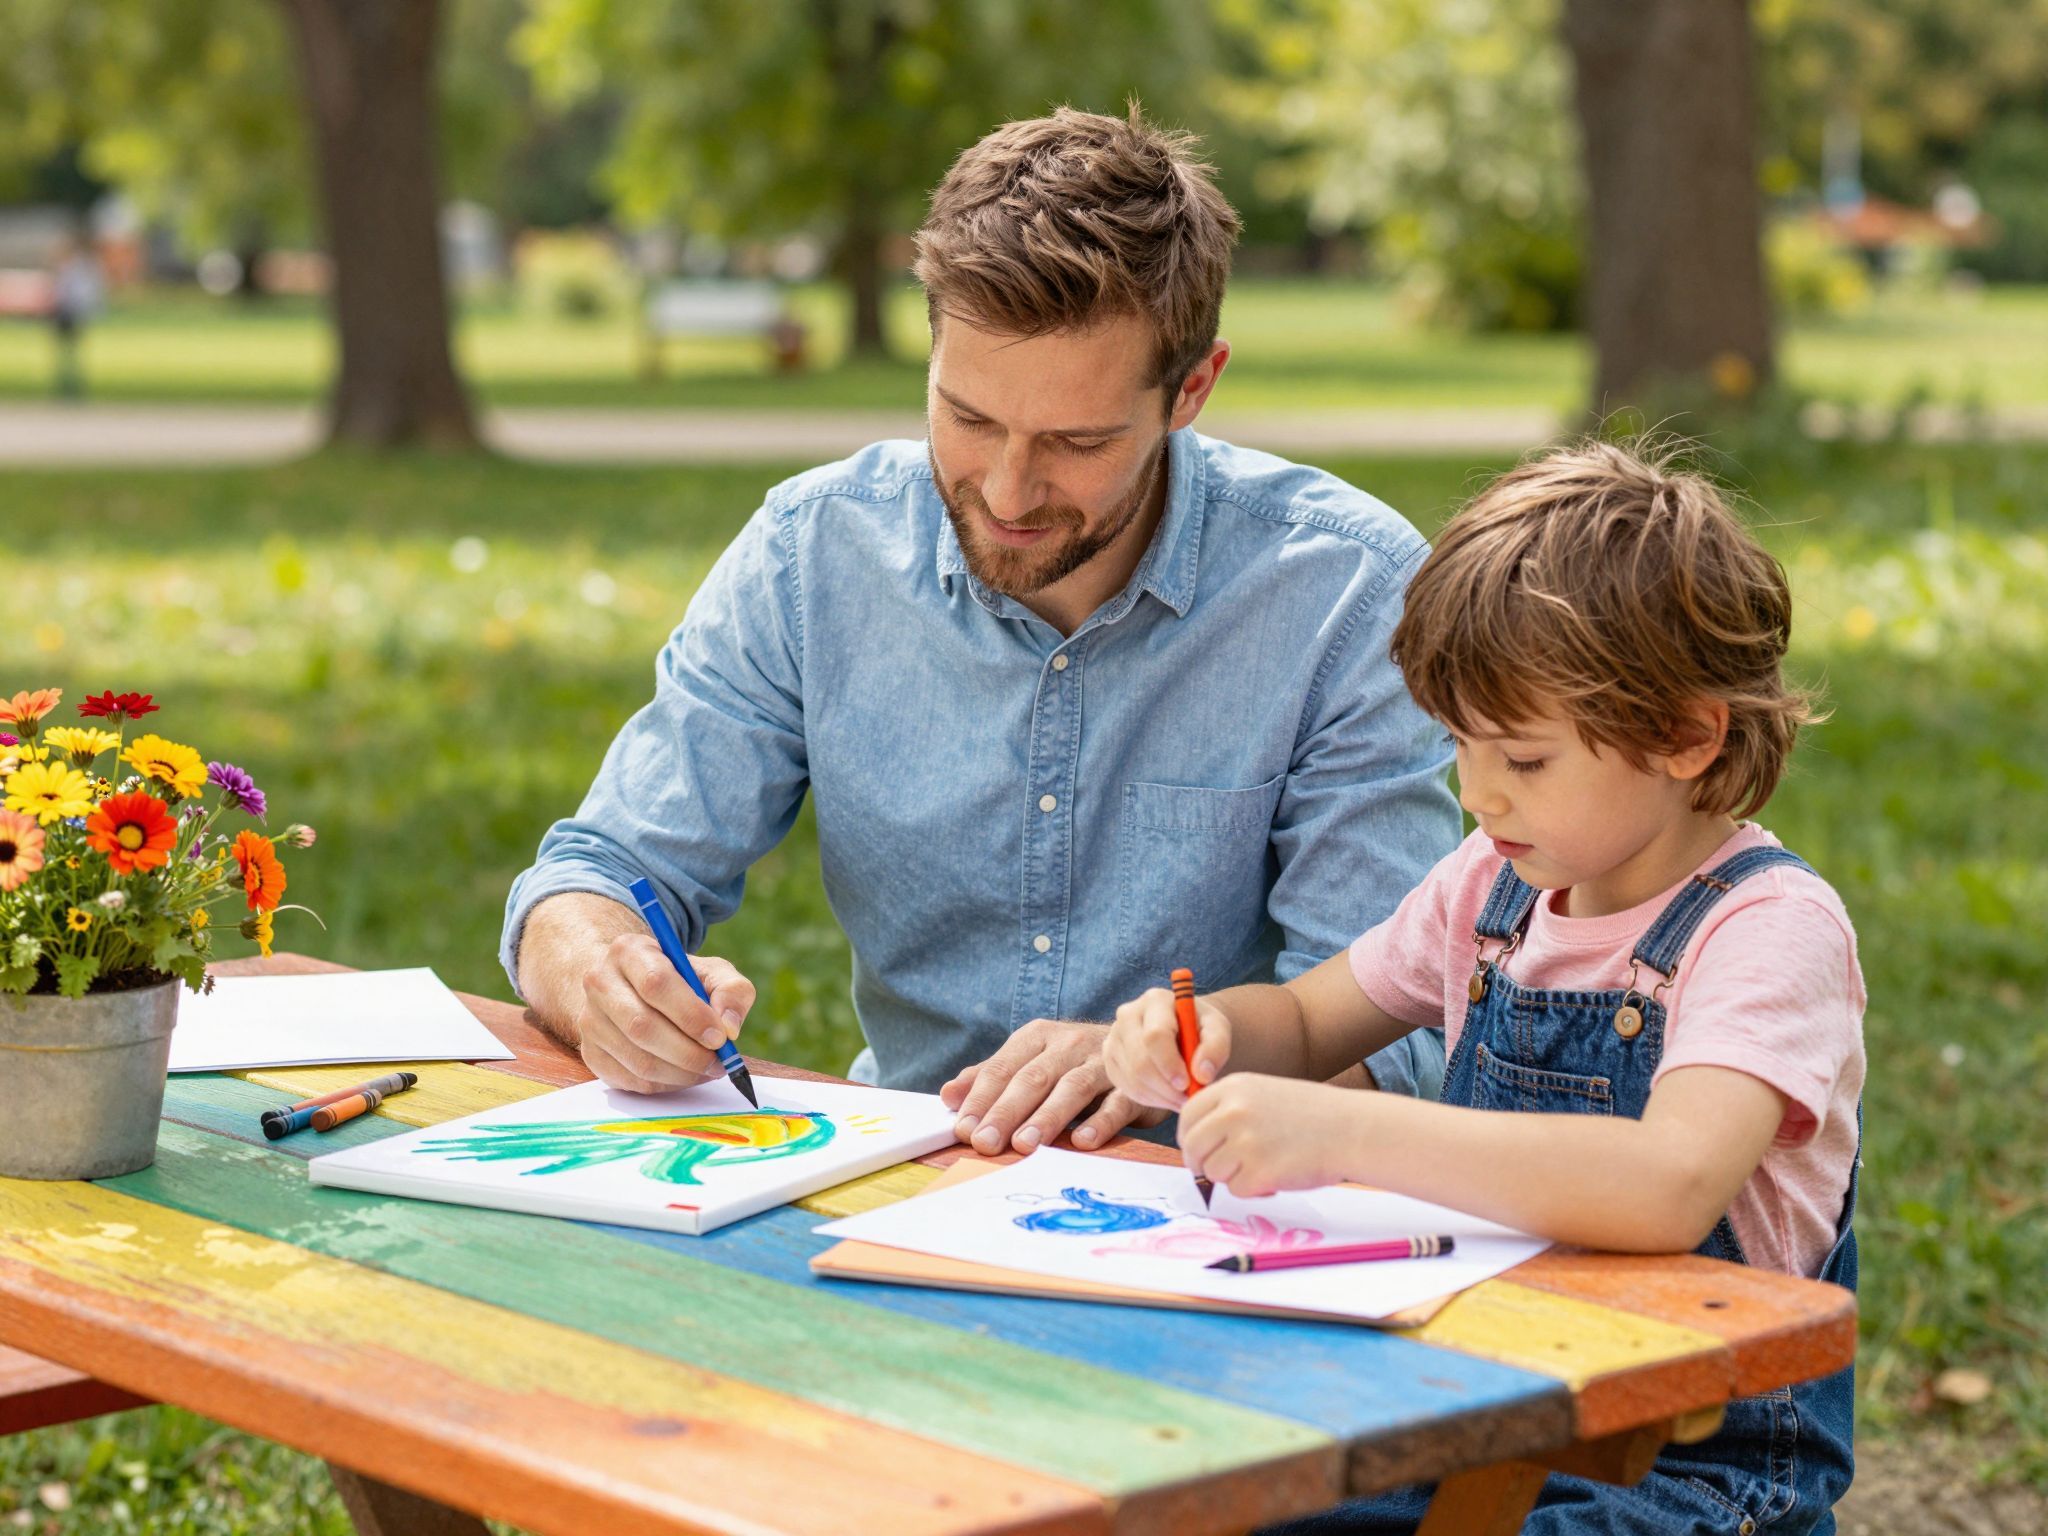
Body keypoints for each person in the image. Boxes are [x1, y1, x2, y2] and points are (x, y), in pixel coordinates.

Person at [500, 106, 1461, 1155]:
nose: (1006, 490)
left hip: (1199, 1199)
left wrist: (1151, 1062)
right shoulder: (812, 554)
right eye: (966, 417)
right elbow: (594, 870)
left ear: (1192, 389)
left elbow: (1397, 1031)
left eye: (1075, 440)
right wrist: (601, 971)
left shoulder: (1345, 594)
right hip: (895, 1167)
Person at [1105, 439, 1865, 1533]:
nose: (1477, 795)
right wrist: (1204, 1031)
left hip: (1690, 1472)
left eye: (1523, 759)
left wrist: (1341, 1136)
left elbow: (1666, 1184)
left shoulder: (1764, 928)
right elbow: (1313, 1019)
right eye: (1459, 746)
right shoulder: (1490, 886)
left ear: (1686, 736)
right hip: (1478, 1402)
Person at [49, 237, 104, 400]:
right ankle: (67, 384)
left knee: (70, 351)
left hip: (70, 312)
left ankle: (71, 385)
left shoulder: (74, 269)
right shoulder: (74, 268)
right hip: (67, 312)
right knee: (67, 351)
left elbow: (71, 292)